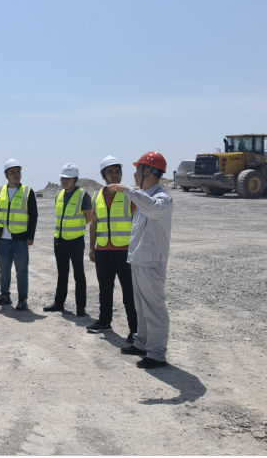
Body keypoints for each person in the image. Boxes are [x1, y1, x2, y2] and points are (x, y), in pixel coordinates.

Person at [107, 152, 173, 369]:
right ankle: (142, 343)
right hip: (139, 260)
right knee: (141, 307)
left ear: (148, 171)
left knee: (154, 308)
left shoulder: (162, 198)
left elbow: (154, 208)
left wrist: (128, 190)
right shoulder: (143, 197)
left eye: (138, 170)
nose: (134, 175)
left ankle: (157, 354)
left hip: (152, 263)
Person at [87, 155, 138, 343]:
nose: (114, 175)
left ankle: (135, 330)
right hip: (103, 251)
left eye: (117, 171)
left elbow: (138, 223)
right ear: (103, 176)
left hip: (125, 251)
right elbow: (94, 223)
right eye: (110, 172)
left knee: (129, 292)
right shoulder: (96, 196)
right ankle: (104, 322)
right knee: (105, 289)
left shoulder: (130, 194)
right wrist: (92, 247)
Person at [0, 158, 38, 311]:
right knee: (4, 270)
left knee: (21, 270)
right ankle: (5, 295)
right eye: (12, 172)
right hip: (2, 238)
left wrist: (30, 236)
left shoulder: (28, 192)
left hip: (20, 238)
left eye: (18, 172)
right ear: (6, 175)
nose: (16, 174)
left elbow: (33, 215)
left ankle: (22, 299)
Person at [44, 163, 93, 316]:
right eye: (63, 178)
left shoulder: (83, 195)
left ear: (75, 179)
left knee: (79, 274)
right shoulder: (58, 195)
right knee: (62, 273)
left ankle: (80, 307)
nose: (64, 181)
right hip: (59, 241)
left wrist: (75, 228)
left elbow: (89, 217)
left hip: (76, 241)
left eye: (68, 178)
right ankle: (59, 303)